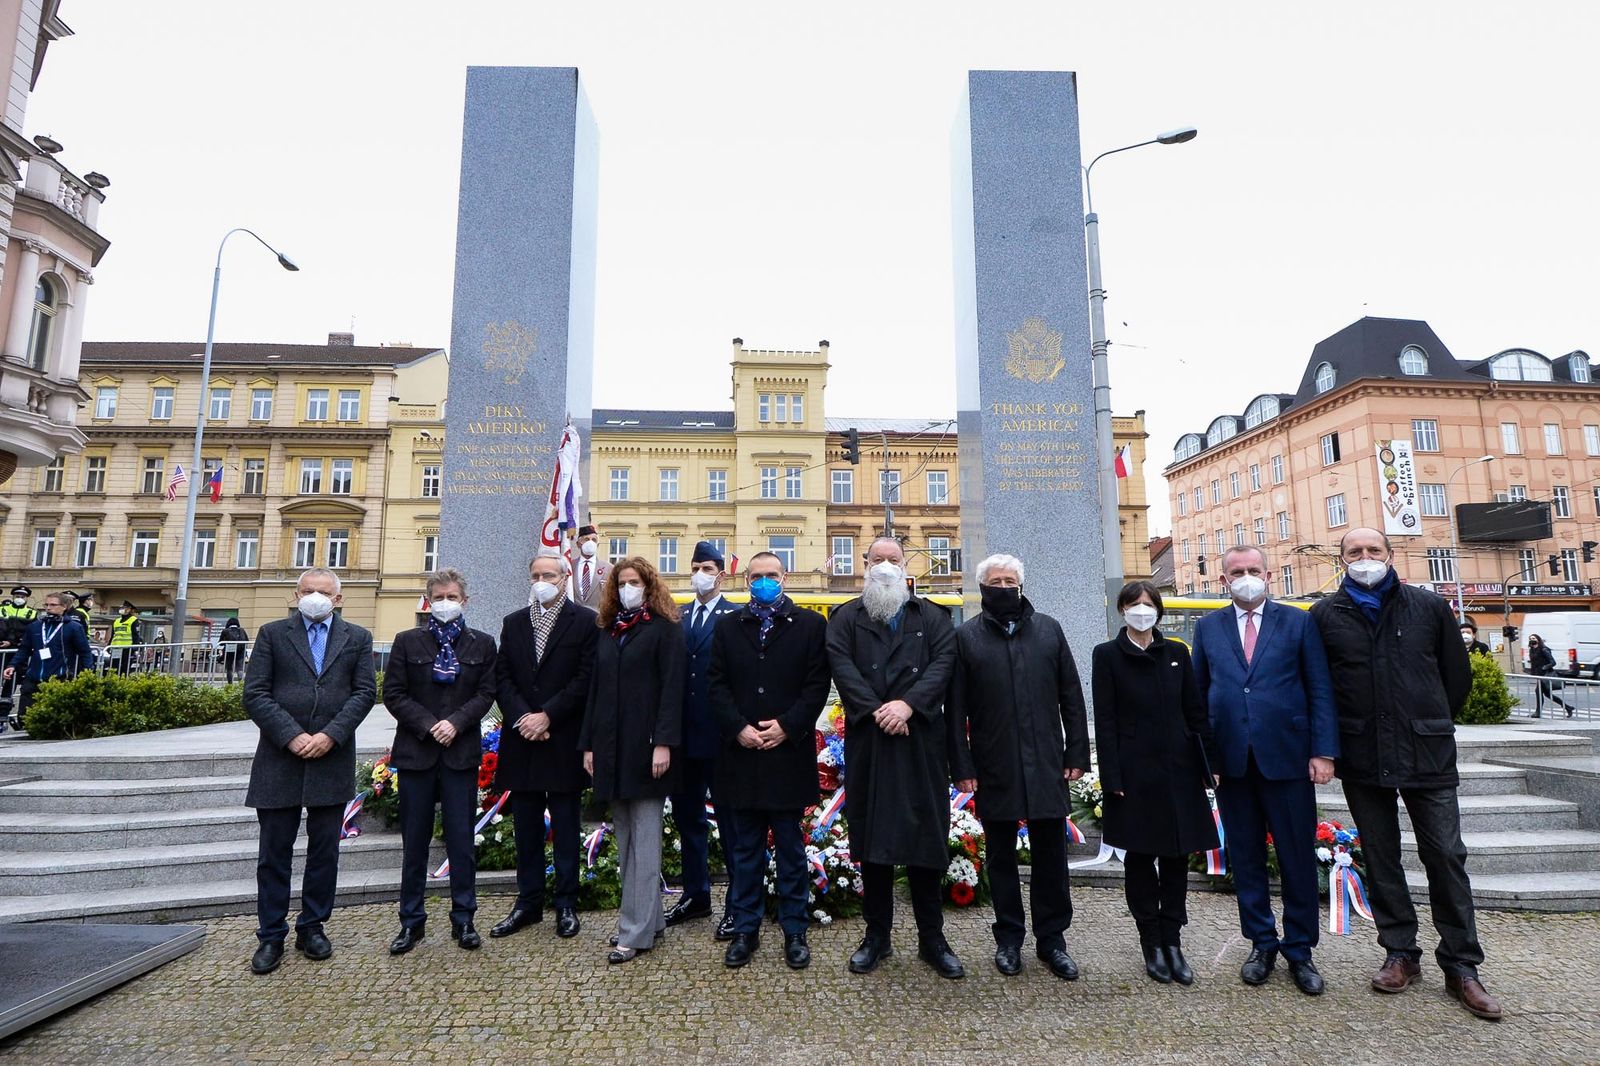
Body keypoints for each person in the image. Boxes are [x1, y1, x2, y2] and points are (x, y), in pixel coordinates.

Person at [1311, 527, 1501, 1021]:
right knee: (1381, 857)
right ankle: (1400, 953)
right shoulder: (1326, 615)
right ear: (1342, 559)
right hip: (1362, 753)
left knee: (1446, 855)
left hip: (1426, 752)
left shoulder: (1429, 607)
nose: (1365, 557)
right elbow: (1321, 687)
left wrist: (1428, 719)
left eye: (1373, 550)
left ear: (1391, 555)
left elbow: (1456, 677)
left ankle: (1462, 965)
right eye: (1355, 551)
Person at [1191, 544, 1338, 996]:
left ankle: (1300, 949)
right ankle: (1261, 943)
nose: (1246, 577)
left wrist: (1324, 751)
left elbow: (1319, 687)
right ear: (1223, 581)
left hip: (1288, 758)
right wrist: (1206, 760)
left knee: (1296, 857)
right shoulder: (1208, 627)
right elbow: (1198, 696)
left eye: (1253, 569)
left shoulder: (1298, 621)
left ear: (1269, 575)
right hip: (1232, 763)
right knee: (1246, 858)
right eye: (1237, 572)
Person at [948, 553, 1090, 981]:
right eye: (996, 581)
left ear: (1021, 585)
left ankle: (1052, 941)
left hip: (1046, 762)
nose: (1004, 587)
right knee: (1001, 858)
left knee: (1051, 857)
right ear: (982, 587)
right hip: (994, 764)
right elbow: (955, 710)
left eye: (1010, 581)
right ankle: (1008, 939)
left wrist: (1076, 753)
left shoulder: (1049, 629)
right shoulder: (966, 638)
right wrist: (962, 764)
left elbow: (1071, 696)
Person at [827, 536, 962, 979]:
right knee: (874, 844)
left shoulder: (934, 616)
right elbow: (843, 669)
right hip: (871, 741)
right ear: (865, 565)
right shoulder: (846, 617)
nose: (885, 565)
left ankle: (932, 939)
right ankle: (877, 936)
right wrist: (879, 711)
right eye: (877, 559)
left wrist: (908, 706)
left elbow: (943, 665)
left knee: (926, 842)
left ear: (906, 568)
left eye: (893, 559)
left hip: (921, 740)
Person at [242, 567, 377, 976]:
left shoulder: (357, 637)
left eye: (323, 591)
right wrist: (292, 735)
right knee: (273, 854)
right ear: (296, 594)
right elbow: (255, 693)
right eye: (308, 590)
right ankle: (271, 934)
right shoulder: (272, 634)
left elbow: (364, 693)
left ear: (338, 599)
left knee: (324, 853)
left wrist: (331, 735)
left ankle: (312, 926)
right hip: (279, 758)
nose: (315, 597)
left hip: (331, 757)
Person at [707, 551, 831, 970]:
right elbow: (716, 684)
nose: (764, 581)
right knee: (745, 850)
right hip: (741, 755)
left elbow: (817, 685)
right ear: (746, 580)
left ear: (785, 577)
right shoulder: (728, 626)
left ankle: (795, 930)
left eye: (771, 575)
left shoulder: (811, 625)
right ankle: (746, 929)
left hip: (787, 755)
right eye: (757, 575)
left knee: (791, 848)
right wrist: (738, 727)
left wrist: (787, 726)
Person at [1091, 581, 1219, 985]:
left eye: (1148, 604)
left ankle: (1172, 939)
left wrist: (1209, 764)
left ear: (1159, 610)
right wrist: (1111, 775)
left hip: (1179, 770)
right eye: (1134, 604)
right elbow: (1105, 719)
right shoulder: (1107, 655)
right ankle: (1150, 939)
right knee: (1141, 858)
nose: (1142, 610)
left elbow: (1195, 712)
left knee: (1177, 857)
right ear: (1122, 610)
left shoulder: (1177, 653)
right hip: (1133, 773)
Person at [383, 567, 497, 955]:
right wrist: (429, 725)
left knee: (461, 842)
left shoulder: (483, 644)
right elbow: (394, 693)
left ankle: (463, 918)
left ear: (465, 601)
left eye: (452, 597)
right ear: (428, 600)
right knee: (414, 843)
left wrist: (457, 723)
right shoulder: (407, 641)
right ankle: (411, 922)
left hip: (459, 755)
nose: (445, 603)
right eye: (438, 597)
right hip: (417, 753)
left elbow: (486, 693)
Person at [579, 557, 684, 963]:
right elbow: (595, 691)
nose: (627, 589)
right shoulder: (608, 630)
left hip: (647, 749)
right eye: (622, 582)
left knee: (645, 843)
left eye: (635, 582)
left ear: (649, 585)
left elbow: (672, 689)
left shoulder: (665, 628)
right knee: (626, 842)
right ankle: (649, 921)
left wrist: (664, 743)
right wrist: (589, 745)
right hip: (610, 749)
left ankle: (634, 933)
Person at [491, 548, 598, 942]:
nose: (541, 582)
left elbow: (586, 679)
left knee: (566, 826)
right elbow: (503, 677)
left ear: (564, 579)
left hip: (563, 738)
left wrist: (548, 716)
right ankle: (528, 902)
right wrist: (524, 717)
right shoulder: (514, 622)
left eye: (548, 576)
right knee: (526, 827)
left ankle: (566, 902)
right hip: (523, 739)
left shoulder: (585, 621)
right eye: (536, 575)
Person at [666, 540, 743, 938]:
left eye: (707, 569)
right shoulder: (676, 617)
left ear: (721, 574)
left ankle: (737, 904)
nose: (700, 574)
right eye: (696, 567)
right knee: (688, 821)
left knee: (731, 825)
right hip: (683, 739)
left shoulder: (735, 617)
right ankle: (696, 896)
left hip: (722, 738)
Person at [3, 592, 93, 722]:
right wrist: (12, 665)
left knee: (52, 719)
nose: (48, 608)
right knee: (25, 718)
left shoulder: (73, 627)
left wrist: (87, 674)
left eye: (53, 605)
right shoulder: (35, 626)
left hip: (58, 679)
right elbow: (24, 649)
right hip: (33, 678)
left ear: (64, 607)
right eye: (46, 605)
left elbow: (85, 652)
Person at [1527, 634, 1571, 718]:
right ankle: (1568, 708)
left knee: (1538, 692)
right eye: (1530, 639)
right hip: (1539, 675)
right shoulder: (1532, 650)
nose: (1532, 640)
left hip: (1545, 675)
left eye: (1534, 638)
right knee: (1547, 694)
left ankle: (1538, 712)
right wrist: (1533, 673)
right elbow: (1534, 663)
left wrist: (1544, 667)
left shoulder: (1544, 649)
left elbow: (1553, 662)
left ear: (1538, 639)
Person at [571, 524, 609, 610]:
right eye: (586, 539)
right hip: (574, 615)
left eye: (594, 540)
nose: (590, 542)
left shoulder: (608, 568)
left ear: (597, 545)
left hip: (598, 615)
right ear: (578, 544)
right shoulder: (570, 566)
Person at [109, 601, 144, 677]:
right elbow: (113, 635)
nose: (122, 609)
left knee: (124, 669)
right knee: (114, 668)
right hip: (116, 649)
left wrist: (135, 648)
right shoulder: (116, 621)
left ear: (129, 610)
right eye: (122, 607)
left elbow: (135, 635)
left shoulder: (133, 620)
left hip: (127, 649)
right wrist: (109, 646)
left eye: (125, 608)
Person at [219, 617, 249, 683]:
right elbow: (247, 640)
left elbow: (220, 642)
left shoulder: (225, 631)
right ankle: (240, 683)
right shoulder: (242, 630)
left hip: (229, 651)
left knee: (229, 668)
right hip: (241, 651)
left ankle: (230, 684)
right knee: (239, 668)